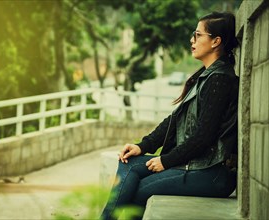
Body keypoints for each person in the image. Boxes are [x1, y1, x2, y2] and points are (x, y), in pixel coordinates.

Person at [101, 11, 239, 220]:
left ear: (215, 41)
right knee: (128, 162)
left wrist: (166, 160)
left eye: (198, 35)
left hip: (212, 173)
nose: (192, 40)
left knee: (142, 189)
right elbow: (174, 121)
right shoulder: (206, 76)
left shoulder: (220, 80)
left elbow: (204, 136)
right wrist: (142, 146)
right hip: (198, 165)